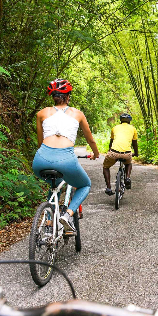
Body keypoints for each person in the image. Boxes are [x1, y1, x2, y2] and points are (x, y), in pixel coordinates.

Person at [32, 78, 99, 234]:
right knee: (85, 185)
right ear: (68, 96)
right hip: (65, 160)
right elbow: (90, 140)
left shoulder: (41, 113)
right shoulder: (77, 114)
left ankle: (49, 219)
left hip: (40, 159)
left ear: (53, 96)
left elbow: (40, 141)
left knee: (55, 185)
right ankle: (67, 215)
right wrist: (96, 154)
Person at [102, 113, 138, 195]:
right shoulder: (133, 129)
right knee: (128, 163)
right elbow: (134, 143)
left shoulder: (115, 128)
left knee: (105, 167)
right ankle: (128, 177)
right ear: (129, 121)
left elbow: (111, 142)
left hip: (114, 152)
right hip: (127, 154)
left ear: (120, 120)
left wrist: (109, 151)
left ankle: (108, 187)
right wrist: (136, 153)